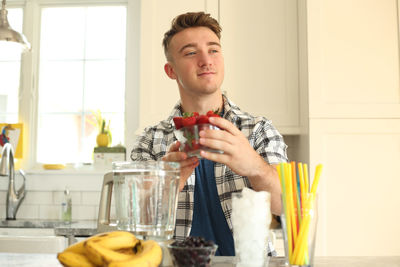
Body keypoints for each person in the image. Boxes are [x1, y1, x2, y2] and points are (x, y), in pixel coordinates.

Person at [131, 11, 288, 256]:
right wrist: (167, 183)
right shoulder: (149, 141)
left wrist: (254, 166)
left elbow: (286, 207)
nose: (206, 60)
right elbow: (135, 227)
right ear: (170, 70)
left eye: (213, 50)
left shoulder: (259, 130)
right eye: (191, 53)